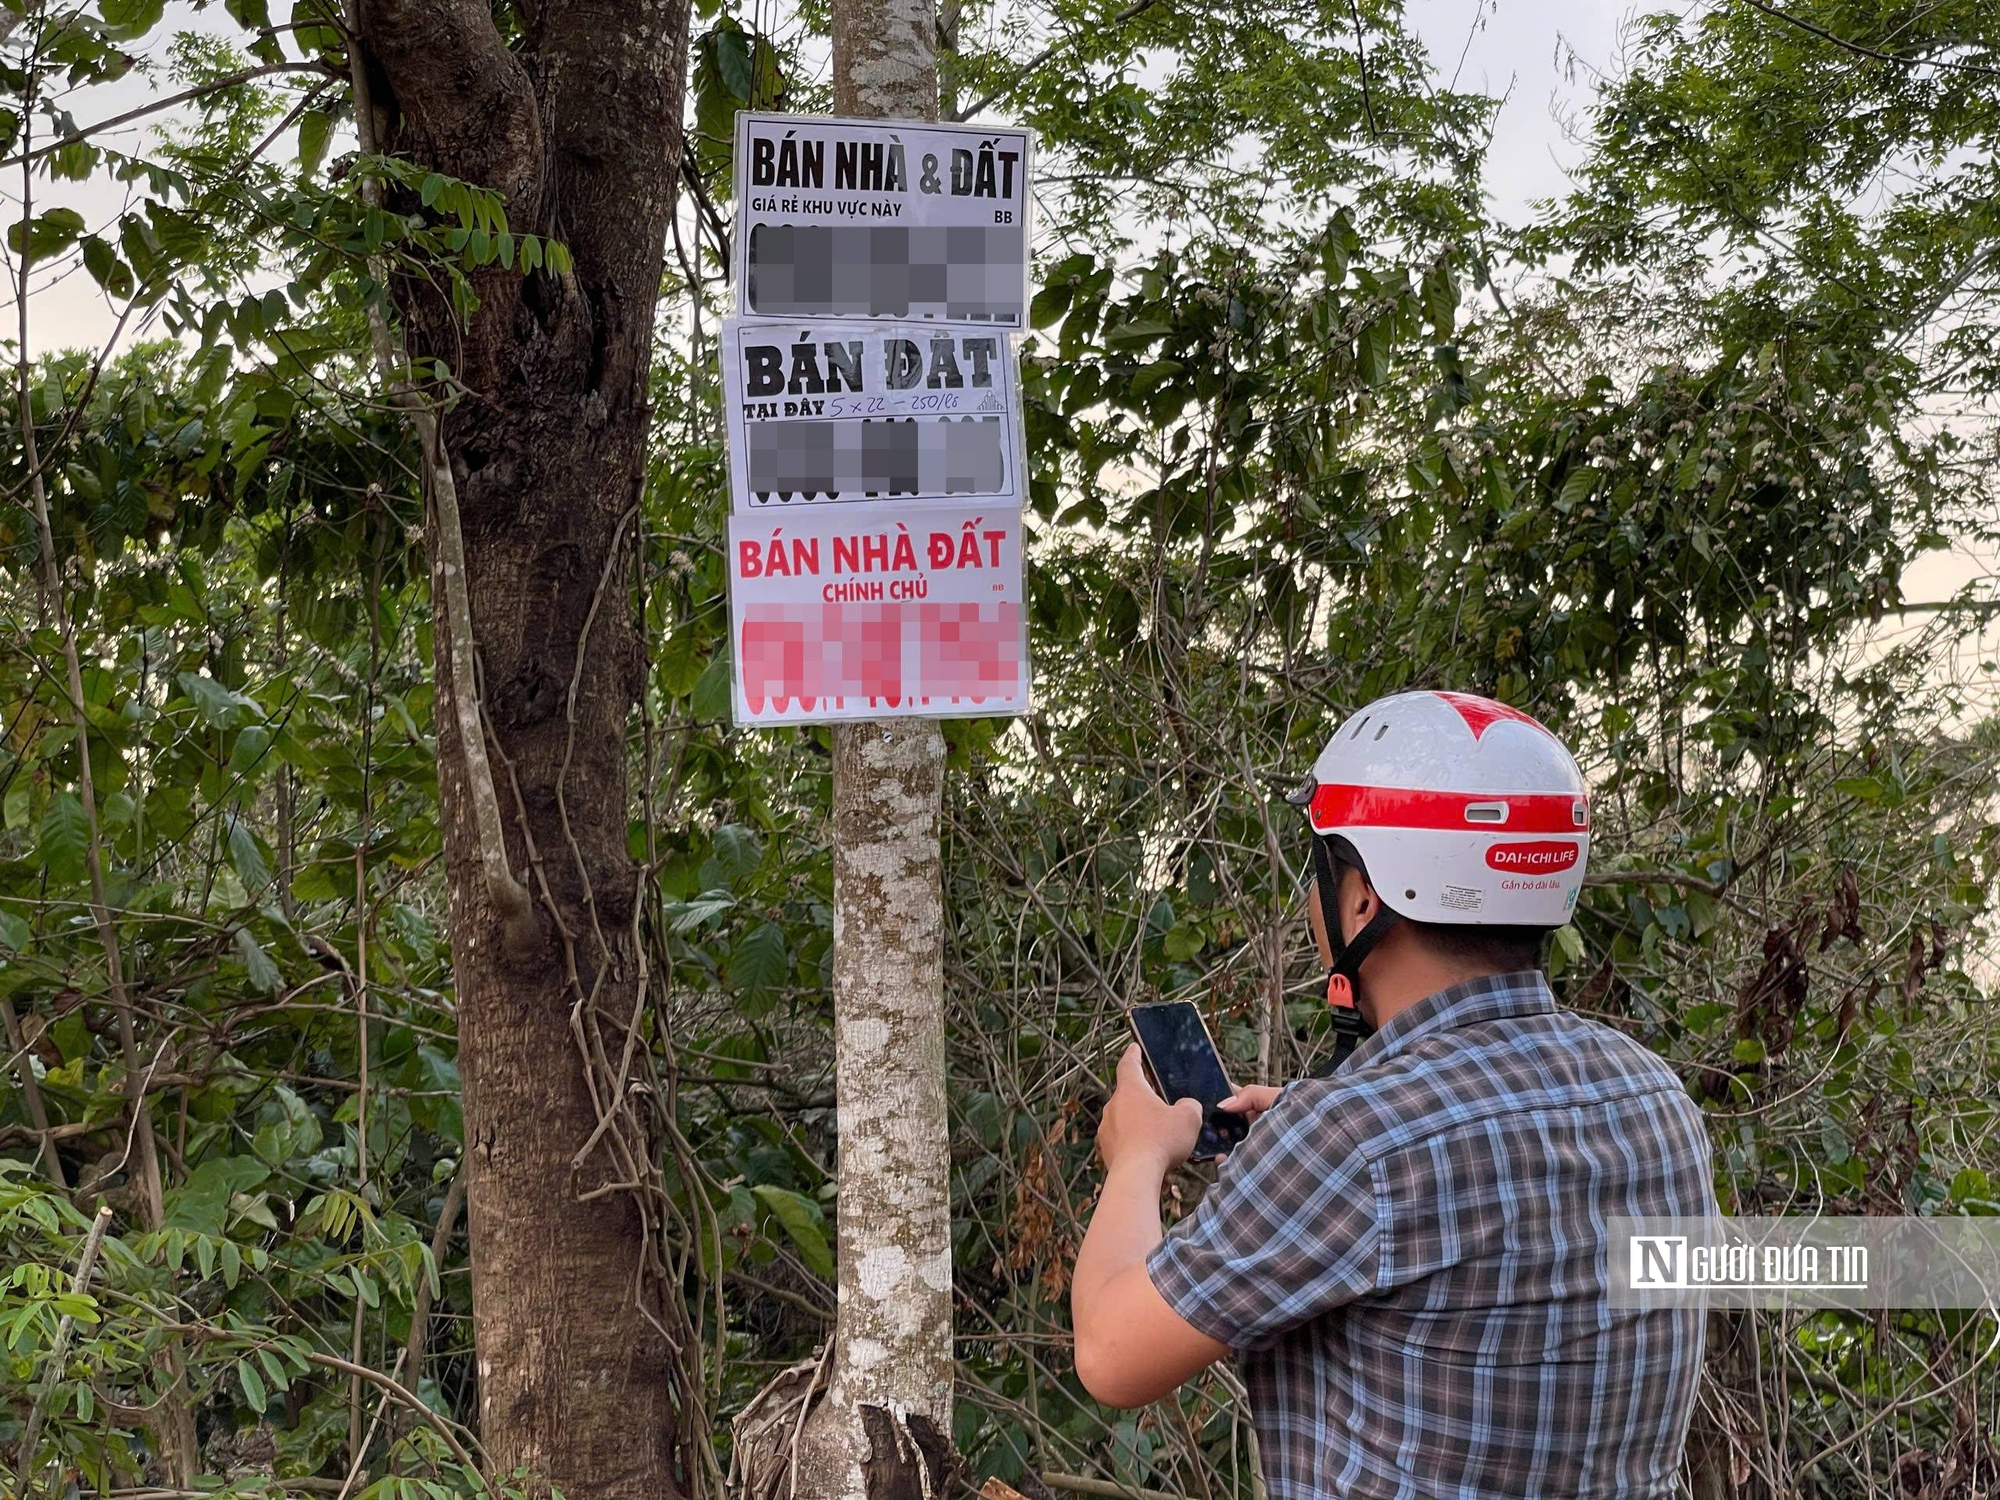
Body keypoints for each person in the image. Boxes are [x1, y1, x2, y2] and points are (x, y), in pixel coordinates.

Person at [1071, 690, 1716, 1499]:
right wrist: (1317, 1139)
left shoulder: (1352, 1141)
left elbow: (1109, 1353)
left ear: (1363, 900)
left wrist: (1137, 1156)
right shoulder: (1656, 1099)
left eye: (1320, 872)